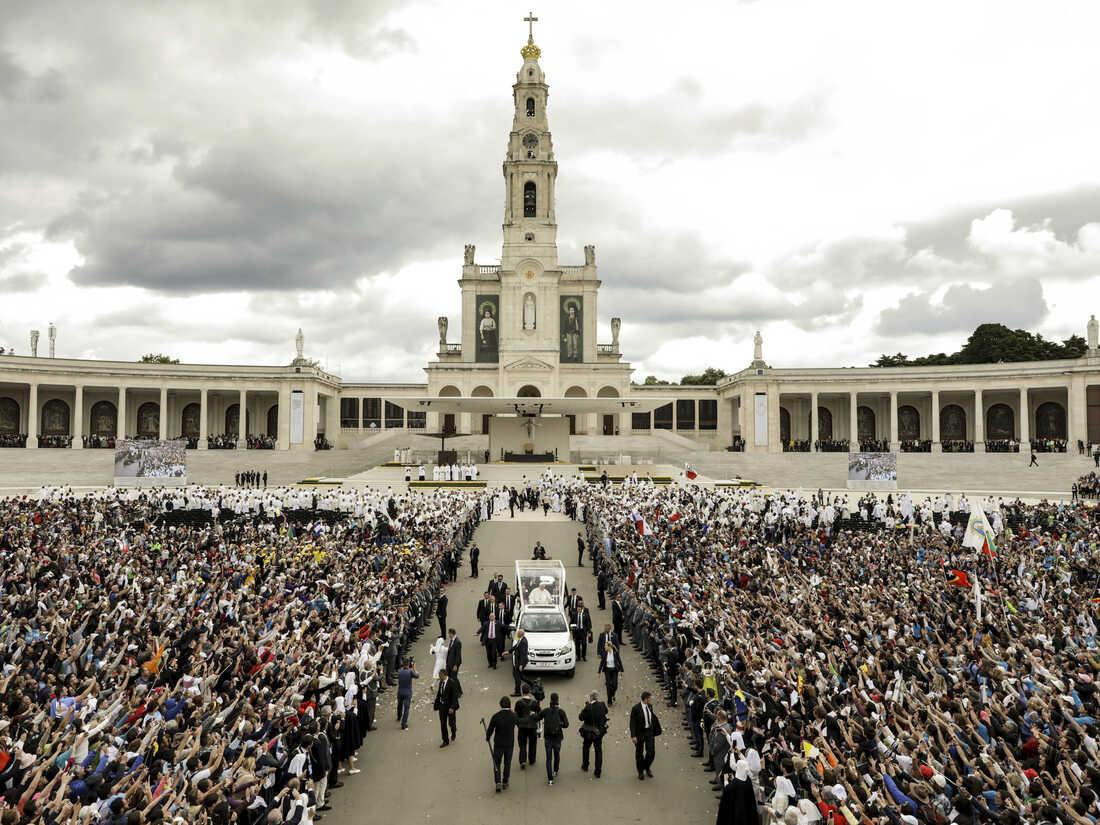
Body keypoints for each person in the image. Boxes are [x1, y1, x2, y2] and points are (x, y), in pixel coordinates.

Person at [485, 696, 518, 792]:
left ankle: (498, 781)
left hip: (498, 744)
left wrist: (487, 737)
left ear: (500, 705)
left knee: (497, 764)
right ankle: (505, 781)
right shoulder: (513, 716)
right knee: (507, 763)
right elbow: (519, 722)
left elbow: (490, 729)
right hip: (509, 744)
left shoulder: (496, 716)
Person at [538, 692, 569, 785]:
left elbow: (537, 717)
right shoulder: (561, 711)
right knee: (557, 754)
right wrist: (561, 724)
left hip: (548, 737)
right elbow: (566, 725)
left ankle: (550, 779)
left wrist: (532, 714)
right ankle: (555, 770)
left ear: (550, 700)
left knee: (548, 758)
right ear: (558, 700)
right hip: (557, 737)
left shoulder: (546, 711)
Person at [629, 691, 661, 780]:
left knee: (651, 752)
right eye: (650, 698)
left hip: (649, 732)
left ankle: (646, 767)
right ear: (646, 699)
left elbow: (652, 718)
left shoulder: (650, 706)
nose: (651, 699)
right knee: (639, 754)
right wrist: (633, 736)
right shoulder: (636, 708)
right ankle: (640, 772)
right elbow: (632, 723)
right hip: (639, 733)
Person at [578, 691, 608, 778]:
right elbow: (606, 712)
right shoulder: (602, 704)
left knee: (586, 747)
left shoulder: (588, 707)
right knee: (598, 750)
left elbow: (581, 717)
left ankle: (585, 765)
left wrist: (584, 709)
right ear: (597, 698)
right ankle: (598, 771)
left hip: (589, 732)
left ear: (591, 697)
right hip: (599, 732)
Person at [514, 683, 540, 769]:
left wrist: (518, 723)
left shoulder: (518, 703)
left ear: (522, 692)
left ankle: (523, 760)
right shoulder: (534, 703)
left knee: (522, 744)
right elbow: (539, 713)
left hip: (522, 726)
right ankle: (532, 759)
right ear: (529, 692)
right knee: (532, 743)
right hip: (532, 726)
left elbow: (516, 714)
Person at [433, 670, 460, 747]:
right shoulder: (441, 682)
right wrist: (436, 705)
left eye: (440, 675)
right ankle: (445, 740)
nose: (439, 677)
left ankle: (453, 731)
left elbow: (455, 697)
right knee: (443, 724)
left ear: (444, 675)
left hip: (450, 707)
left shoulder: (452, 682)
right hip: (442, 706)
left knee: (451, 723)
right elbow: (439, 694)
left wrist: (452, 707)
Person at [597, 629, 623, 705]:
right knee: (608, 685)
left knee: (614, 685)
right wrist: (599, 672)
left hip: (614, 670)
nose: (604, 647)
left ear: (609, 647)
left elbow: (619, 661)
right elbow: (602, 663)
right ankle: (609, 701)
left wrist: (622, 670)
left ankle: (613, 694)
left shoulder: (615, 652)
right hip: (607, 670)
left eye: (605, 646)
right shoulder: (604, 653)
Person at [395, 657, 418, 730]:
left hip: (400, 691)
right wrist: (414, 668)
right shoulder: (410, 672)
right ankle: (403, 723)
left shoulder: (399, 671)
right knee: (406, 708)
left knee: (399, 705)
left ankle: (399, 716)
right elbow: (417, 676)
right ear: (409, 664)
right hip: (408, 692)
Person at [571, 597, 592, 662]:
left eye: (580, 609)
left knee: (584, 644)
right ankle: (578, 657)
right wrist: (571, 630)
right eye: (578, 609)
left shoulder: (585, 615)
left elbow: (588, 623)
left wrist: (589, 632)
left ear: (582, 609)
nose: (579, 610)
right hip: (577, 632)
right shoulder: (574, 615)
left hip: (583, 632)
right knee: (577, 645)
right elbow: (571, 623)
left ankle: (584, 656)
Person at [509, 628, 529, 696]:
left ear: (521, 634)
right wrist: (508, 651)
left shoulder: (523, 642)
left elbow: (523, 654)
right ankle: (532, 684)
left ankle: (518, 692)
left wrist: (521, 665)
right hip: (518, 662)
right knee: (521, 676)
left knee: (517, 677)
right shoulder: (521, 639)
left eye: (518, 633)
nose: (517, 634)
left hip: (520, 662)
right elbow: (516, 646)